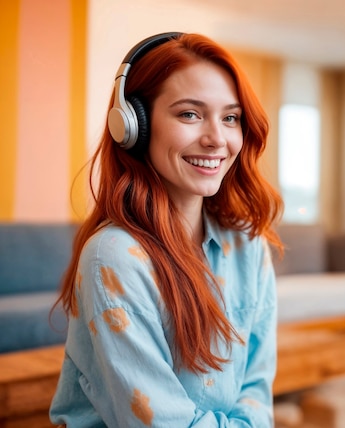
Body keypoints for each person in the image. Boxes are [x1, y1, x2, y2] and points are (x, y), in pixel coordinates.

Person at [49, 32, 283, 427]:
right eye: (190, 114)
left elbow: (257, 397)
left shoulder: (248, 244)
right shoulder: (114, 257)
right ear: (133, 126)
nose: (217, 139)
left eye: (230, 118)